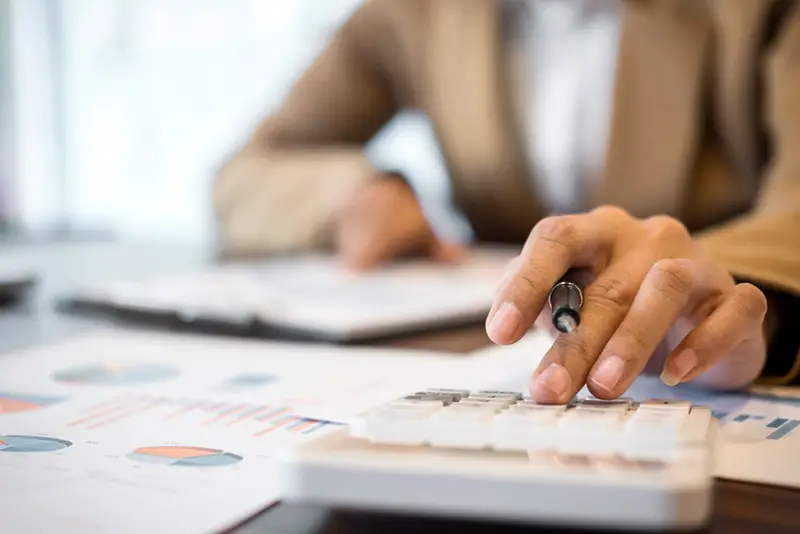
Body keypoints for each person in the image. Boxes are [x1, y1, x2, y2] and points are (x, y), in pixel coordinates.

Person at [213, 0, 800, 401]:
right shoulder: (414, 12)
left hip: (695, 368)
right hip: (501, 354)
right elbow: (245, 171)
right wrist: (350, 195)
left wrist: (734, 298)